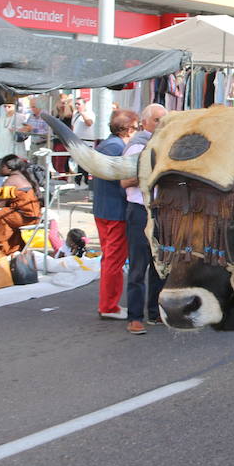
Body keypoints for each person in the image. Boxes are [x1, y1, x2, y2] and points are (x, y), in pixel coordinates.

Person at [122, 104, 169, 335]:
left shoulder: (165, 144)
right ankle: (134, 317)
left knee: (159, 264)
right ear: (145, 123)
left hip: (161, 210)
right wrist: (152, 175)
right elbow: (125, 181)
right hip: (140, 210)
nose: (162, 124)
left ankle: (155, 311)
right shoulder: (137, 147)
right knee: (139, 266)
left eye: (165, 119)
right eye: (158, 120)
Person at [91, 110, 135, 320]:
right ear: (129, 129)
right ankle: (108, 306)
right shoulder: (118, 148)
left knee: (109, 259)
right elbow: (122, 183)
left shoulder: (105, 145)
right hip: (115, 211)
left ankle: (108, 304)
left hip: (103, 209)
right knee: (113, 261)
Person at [0, 155, 42, 256]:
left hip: (23, 217)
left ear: (9, 168)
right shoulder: (24, 177)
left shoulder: (11, 180)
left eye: (1, 166)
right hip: (32, 216)